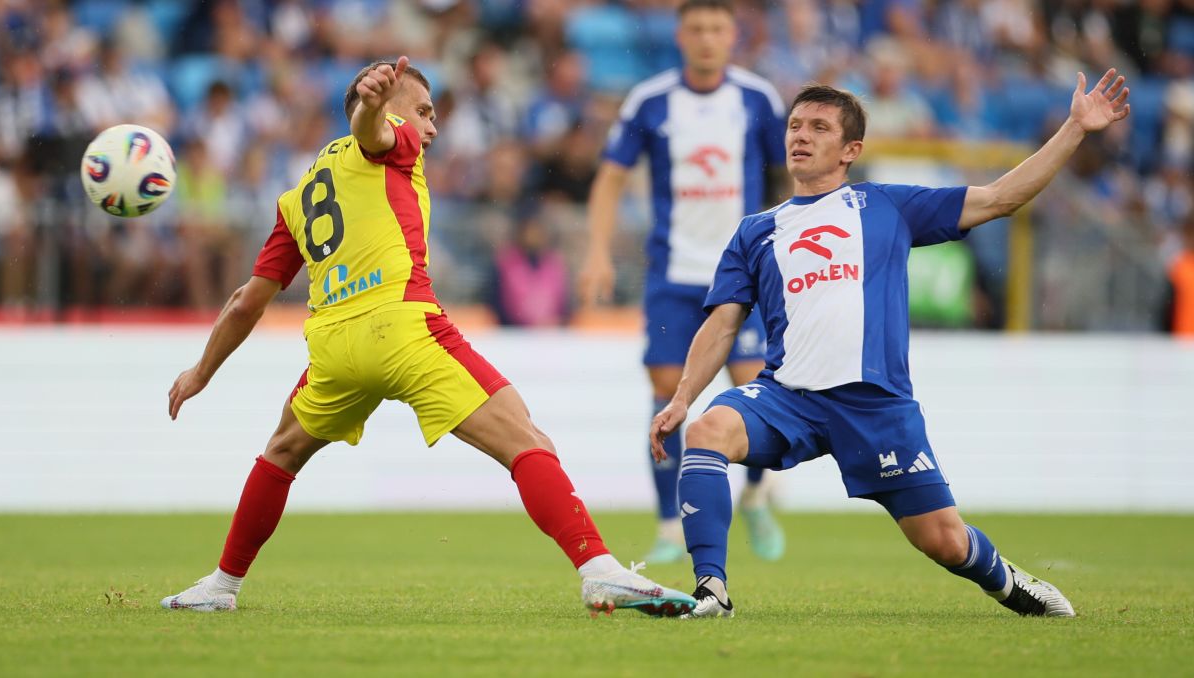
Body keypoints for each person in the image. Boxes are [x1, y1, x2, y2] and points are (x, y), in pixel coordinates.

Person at [160, 57, 695, 617]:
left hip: (334, 347)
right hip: (403, 326)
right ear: (390, 110)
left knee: (281, 453)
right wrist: (373, 109)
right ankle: (599, 570)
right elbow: (372, 133)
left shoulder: (297, 198)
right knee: (527, 441)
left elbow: (247, 301)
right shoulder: (394, 141)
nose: (432, 127)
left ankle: (221, 586)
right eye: (423, 111)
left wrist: (200, 372)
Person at [652, 70, 1131, 618]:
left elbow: (1000, 199)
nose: (801, 135)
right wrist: (683, 397)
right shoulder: (755, 231)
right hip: (787, 397)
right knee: (708, 429)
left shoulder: (885, 206)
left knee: (944, 541)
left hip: (875, 406)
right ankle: (711, 590)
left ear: (851, 150)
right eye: (795, 125)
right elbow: (722, 325)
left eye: (819, 127)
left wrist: (1074, 128)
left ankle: (1007, 582)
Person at [579, 0, 789, 564]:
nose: (706, 39)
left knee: (757, 389)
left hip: (743, 276)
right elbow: (610, 177)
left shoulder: (757, 99)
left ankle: (755, 495)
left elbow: (790, 175)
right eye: (696, 28)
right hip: (673, 275)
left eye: (717, 29)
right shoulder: (650, 101)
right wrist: (597, 252)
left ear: (733, 35)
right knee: (668, 393)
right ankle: (670, 526)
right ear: (680, 36)